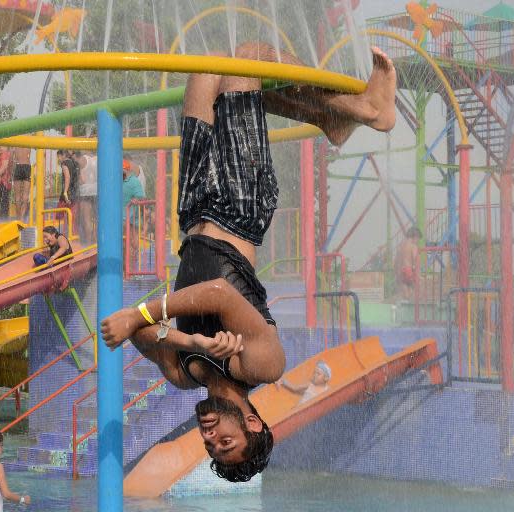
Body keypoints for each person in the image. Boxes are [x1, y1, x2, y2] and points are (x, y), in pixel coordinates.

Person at [102, 42, 396, 482]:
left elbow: (135, 332)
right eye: (226, 441)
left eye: (212, 447)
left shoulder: (186, 374)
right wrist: (146, 318)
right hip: (240, 207)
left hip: (194, 212)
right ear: (252, 423)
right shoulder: (262, 366)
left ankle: (333, 119)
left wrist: (193, 344)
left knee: (207, 69)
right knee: (246, 57)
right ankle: (365, 108)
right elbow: (217, 294)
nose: (210, 436)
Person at [122, 159, 146, 268]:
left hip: (131, 218)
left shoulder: (134, 181)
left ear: (125, 170)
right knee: (124, 244)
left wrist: (136, 200)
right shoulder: (118, 181)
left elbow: (141, 196)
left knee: (131, 244)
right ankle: (125, 269)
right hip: (121, 218)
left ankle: (130, 270)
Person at [76, 151, 98, 244]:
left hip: (85, 193)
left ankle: (89, 243)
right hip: (97, 191)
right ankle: (96, 240)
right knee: (98, 219)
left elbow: (82, 181)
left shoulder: (80, 162)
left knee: (87, 219)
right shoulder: (96, 159)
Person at [395, 226, 422, 301]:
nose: (417, 241)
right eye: (418, 239)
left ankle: (407, 301)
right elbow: (415, 260)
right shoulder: (413, 246)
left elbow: (396, 261)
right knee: (418, 288)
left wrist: (396, 273)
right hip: (408, 269)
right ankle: (413, 306)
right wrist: (418, 274)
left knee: (405, 289)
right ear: (415, 237)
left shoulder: (400, 246)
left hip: (400, 271)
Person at [57, 150, 80, 235]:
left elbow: (67, 177)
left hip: (68, 192)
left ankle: (64, 234)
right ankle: (73, 233)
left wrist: (65, 192)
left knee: (61, 214)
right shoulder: (74, 163)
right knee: (72, 214)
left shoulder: (64, 164)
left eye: (58, 156)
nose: (58, 159)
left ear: (63, 155)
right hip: (75, 192)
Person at [0, 147, 13, 220]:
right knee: (1, 202)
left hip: (3, 182)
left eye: (1, 146)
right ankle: (1, 220)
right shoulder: (3, 154)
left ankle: (2, 220)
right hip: (1, 182)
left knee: (2, 203)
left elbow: (4, 167)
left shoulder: (5, 154)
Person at [12, 147, 32, 221]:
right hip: (27, 166)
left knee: (17, 196)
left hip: (18, 166)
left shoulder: (16, 143)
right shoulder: (29, 141)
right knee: (25, 195)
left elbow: (12, 159)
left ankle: (18, 217)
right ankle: (22, 217)